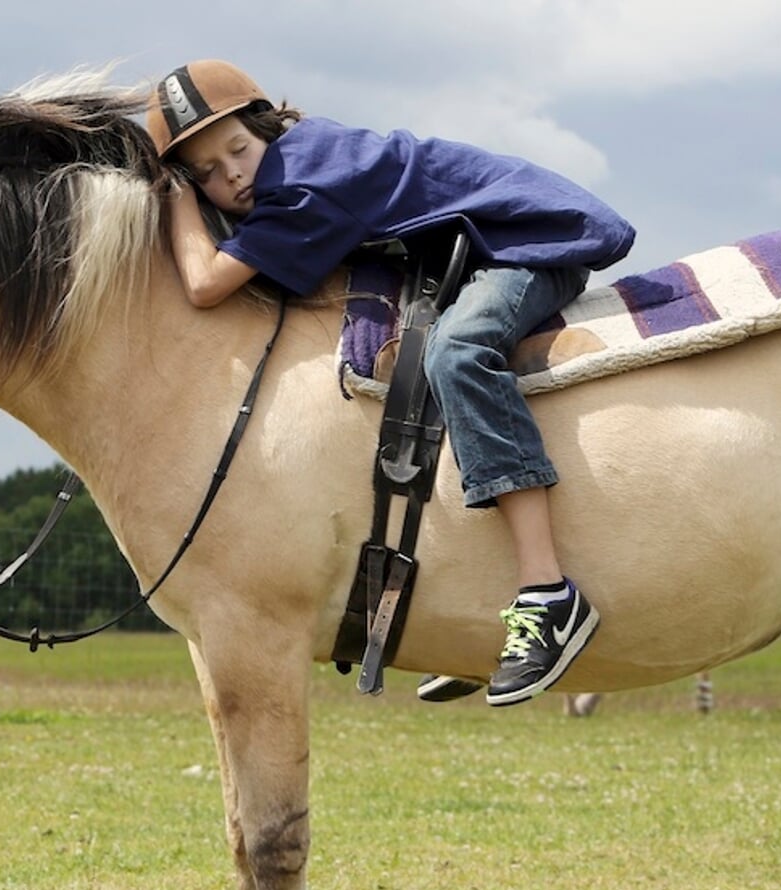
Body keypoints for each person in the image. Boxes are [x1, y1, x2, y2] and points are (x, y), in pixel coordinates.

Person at [146, 60, 635, 706]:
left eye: (237, 149)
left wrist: (177, 194)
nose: (231, 174)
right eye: (207, 170)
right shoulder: (291, 174)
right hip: (466, 257)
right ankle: (473, 612)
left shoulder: (302, 185)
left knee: (457, 356)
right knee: (416, 372)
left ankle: (550, 593)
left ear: (265, 128)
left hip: (530, 241)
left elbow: (205, 283)